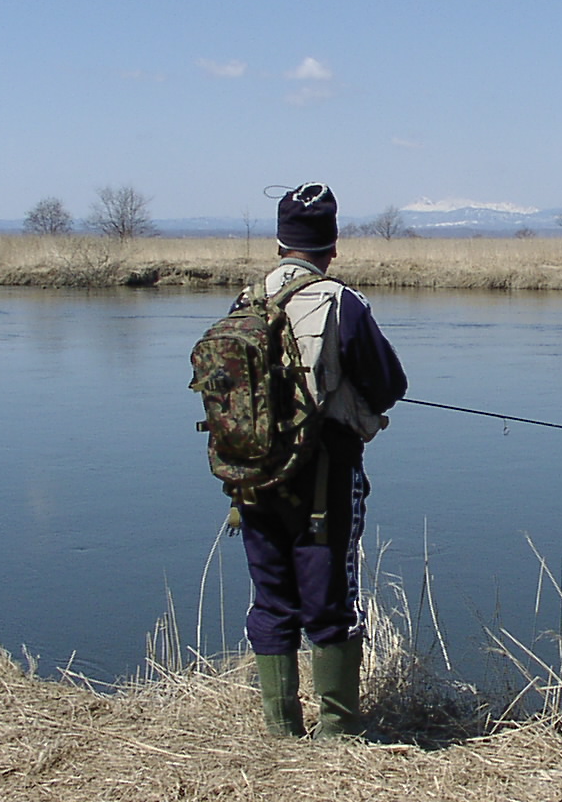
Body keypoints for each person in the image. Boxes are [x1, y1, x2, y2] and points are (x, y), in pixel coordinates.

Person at [230, 182, 407, 739]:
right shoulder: (340, 302)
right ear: (331, 244)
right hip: (323, 484)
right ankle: (337, 732)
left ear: (280, 241)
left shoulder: (246, 301)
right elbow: (388, 385)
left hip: (253, 481)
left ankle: (280, 730)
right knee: (332, 603)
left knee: (273, 600)